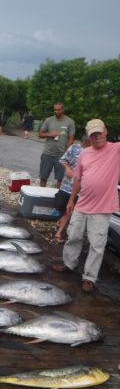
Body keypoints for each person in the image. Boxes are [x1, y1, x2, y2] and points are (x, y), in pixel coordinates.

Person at [52, 119, 120, 292]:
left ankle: (89, 277)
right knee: (74, 236)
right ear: (89, 137)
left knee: (97, 245)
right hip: (82, 204)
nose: (97, 137)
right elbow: (78, 179)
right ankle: (69, 264)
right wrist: (71, 200)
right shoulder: (85, 153)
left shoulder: (116, 150)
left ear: (106, 131)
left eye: (99, 133)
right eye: (93, 135)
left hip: (102, 208)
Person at [53, 136, 90, 243]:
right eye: (86, 140)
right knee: (59, 206)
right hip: (66, 185)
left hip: (80, 189)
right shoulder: (74, 147)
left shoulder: (94, 152)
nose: (88, 142)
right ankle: (61, 223)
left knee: (69, 210)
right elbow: (63, 160)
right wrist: (68, 168)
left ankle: (59, 232)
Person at [38, 102, 75, 187]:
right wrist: (49, 135)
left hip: (61, 155)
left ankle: (58, 198)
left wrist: (67, 154)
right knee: (43, 177)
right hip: (48, 153)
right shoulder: (49, 120)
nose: (56, 111)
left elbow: (71, 139)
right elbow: (40, 134)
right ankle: (42, 194)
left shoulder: (70, 122)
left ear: (63, 109)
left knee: (60, 179)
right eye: (55, 110)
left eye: (58, 110)